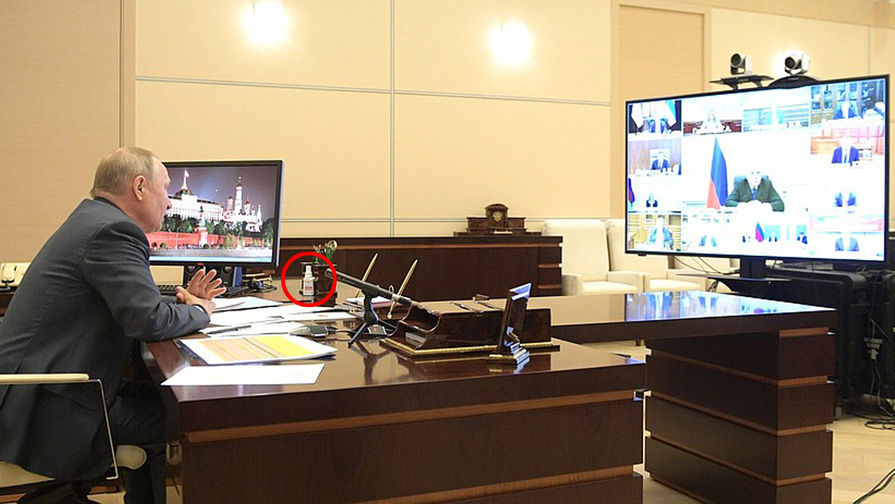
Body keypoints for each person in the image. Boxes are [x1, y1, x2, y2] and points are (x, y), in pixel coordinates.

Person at [0, 147, 226, 504]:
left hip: (42, 389)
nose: (169, 202)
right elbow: (148, 320)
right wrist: (203, 311)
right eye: (165, 189)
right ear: (140, 187)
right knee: (183, 418)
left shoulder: (92, 219)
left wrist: (183, 304)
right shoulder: (113, 231)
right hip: (44, 409)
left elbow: (135, 304)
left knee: (162, 399)